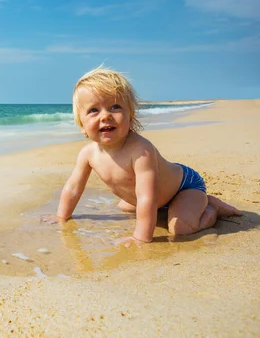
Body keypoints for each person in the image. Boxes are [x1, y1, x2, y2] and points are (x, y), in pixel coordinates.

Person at [42, 66, 241, 245]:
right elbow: (74, 187)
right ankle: (182, 205)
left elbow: (147, 198)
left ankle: (209, 208)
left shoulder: (140, 150)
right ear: (82, 125)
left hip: (184, 186)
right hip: (161, 194)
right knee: (124, 206)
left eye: (115, 107)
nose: (105, 116)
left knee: (181, 229)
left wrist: (141, 237)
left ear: (131, 116)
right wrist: (62, 216)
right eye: (93, 110)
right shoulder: (87, 154)